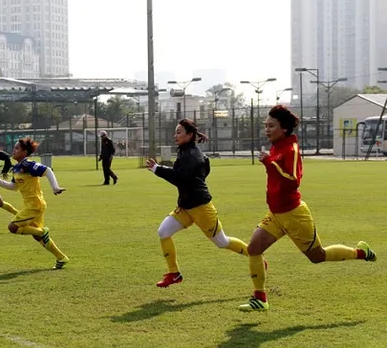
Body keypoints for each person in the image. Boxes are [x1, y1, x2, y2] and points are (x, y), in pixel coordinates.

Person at [238, 105, 377, 312]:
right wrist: (271, 161)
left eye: (271, 126)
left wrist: (269, 163)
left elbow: (293, 181)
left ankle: (360, 252)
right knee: (254, 249)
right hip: (276, 214)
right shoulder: (276, 146)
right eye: (265, 126)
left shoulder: (291, 150)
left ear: (283, 128)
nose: (267, 130)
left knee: (317, 256)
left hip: (295, 215)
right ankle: (260, 298)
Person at [146, 119, 250, 287]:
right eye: (176, 132)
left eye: (179, 132)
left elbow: (181, 177)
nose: (175, 135)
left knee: (221, 242)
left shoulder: (191, 154)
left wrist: (158, 169)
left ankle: (254, 255)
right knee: (163, 231)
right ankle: (174, 273)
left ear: (189, 135)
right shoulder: (187, 151)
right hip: (186, 207)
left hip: (201, 208)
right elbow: (202, 170)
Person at [0, 137, 70, 269]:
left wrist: (55, 187)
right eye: (14, 148)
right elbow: (14, 187)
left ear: (25, 152)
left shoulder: (28, 165)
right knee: (37, 236)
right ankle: (61, 258)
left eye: (17, 148)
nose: (13, 151)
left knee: (13, 227)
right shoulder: (16, 168)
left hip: (35, 205)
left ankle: (42, 232)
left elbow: (48, 170)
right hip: (32, 206)